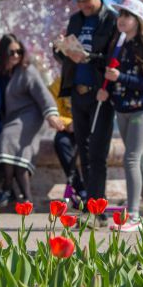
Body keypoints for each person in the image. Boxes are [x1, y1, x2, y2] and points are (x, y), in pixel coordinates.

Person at [53, 0, 118, 225]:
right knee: (84, 150)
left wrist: (89, 57)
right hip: (77, 93)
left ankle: (96, 208)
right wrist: (60, 50)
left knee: (97, 153)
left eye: (86, 0)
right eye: (79, 1)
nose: (83, 6)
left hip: (99, 93)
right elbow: (69, 59)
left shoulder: (111, 19)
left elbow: (114, 57)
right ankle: (92, 208)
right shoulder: (75, 20)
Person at [96, 0, 143, 231]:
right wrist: (107, 90)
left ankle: (132, 216)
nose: (121, 19)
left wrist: (119, 78)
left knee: (131, 158)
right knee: (139, 159)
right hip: (122, 107)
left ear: (138, 20)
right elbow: (113, 72)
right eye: (120, 15)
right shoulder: (119, 43)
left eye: (126, 15)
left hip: (142, 108)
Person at [0, 34, 62, 207]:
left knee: (7, 139)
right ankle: (22, 197)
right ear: (3, 53)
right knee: (15, 153)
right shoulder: (0, 73)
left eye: (19, 51)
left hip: (30, 117)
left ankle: (8, 189)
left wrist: (51, 115)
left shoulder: (27, 70)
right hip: (12, 119)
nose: (16, 55)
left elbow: (43, 94)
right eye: (11, 52)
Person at [49, 76, 87, 205]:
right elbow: (54, 111)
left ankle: (93, 190)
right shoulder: (57, 84)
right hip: (69, 128)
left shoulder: (89, 79)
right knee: (61, 142)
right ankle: (80, 188)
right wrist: (69, 123)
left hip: (88, 126)